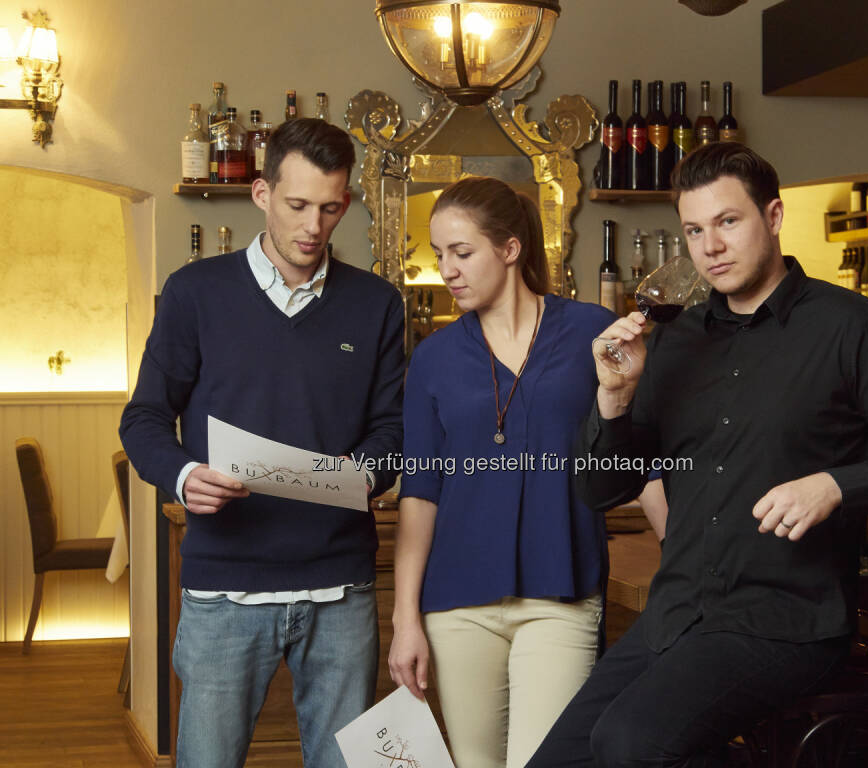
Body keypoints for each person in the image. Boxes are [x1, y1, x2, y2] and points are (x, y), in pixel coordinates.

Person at [526, 142, 868, 767]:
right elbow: (601, 490)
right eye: (693, 230)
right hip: (677, 613)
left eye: (727, 222)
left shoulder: (851, 326)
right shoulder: (675, 342)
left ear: (773, 217)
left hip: (784, 621)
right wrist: (613, 399)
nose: (709, 246)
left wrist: (836, 485)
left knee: (630, 742)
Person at [119, 118, 405, 768]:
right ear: (261, 193)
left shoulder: (376, 304)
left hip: (341, 590)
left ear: (347, 204)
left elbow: (393, 429)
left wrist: (364, 470)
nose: (313, 225)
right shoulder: (195, 293)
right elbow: (143, 420)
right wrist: (186, 475)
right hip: (224, 589)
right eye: (298, 204)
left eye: (330, 208)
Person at [388, 176, 616, 768]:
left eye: (462, 253)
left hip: (561, 595)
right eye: (439, 255)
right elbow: (420, 492)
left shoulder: (592, 332)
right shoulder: (433, 358)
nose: (447, 270)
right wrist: (404, 617)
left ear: (510, 249)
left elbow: (637, 452)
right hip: (456, 603)